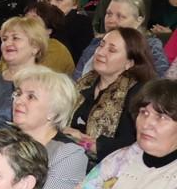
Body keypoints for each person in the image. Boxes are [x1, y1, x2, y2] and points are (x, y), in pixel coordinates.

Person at [65, 27, 156, 162]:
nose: (100, 52)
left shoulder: (138, 93)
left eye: (112, 50)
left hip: (106, 167)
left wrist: (84, 141)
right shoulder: (86, 81)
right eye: (101, 45)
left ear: (129, 63)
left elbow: (130, 145)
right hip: (68, 154)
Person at [11, 66, 87, 189]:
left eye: (31, 97)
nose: (18, 100)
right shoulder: (4, 141)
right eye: (18, 93)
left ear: (53, 112)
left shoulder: (69, 154)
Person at [0, 16, 47, 127]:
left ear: (35, 46)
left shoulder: (46, 85)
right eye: (4, 39)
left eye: (15, 38)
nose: (7, 43)